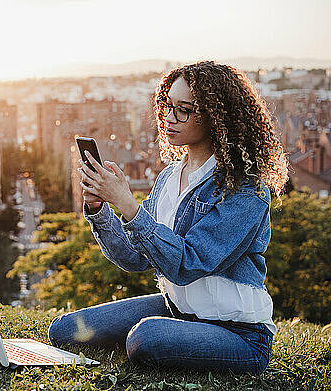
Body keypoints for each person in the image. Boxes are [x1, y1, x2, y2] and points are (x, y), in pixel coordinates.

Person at [47, 61, 289, 375]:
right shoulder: (169, 178)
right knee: (65, 330)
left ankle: (178, 342)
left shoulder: (246, 188)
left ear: (216, 117)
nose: (168, 117)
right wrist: (100, 209)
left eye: (183, 109)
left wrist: (127, 203)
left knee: (146, 337)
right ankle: (175, 337)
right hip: (179, 311)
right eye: (167, 105)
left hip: (238, 334)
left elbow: (187, 264)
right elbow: (134, 257)